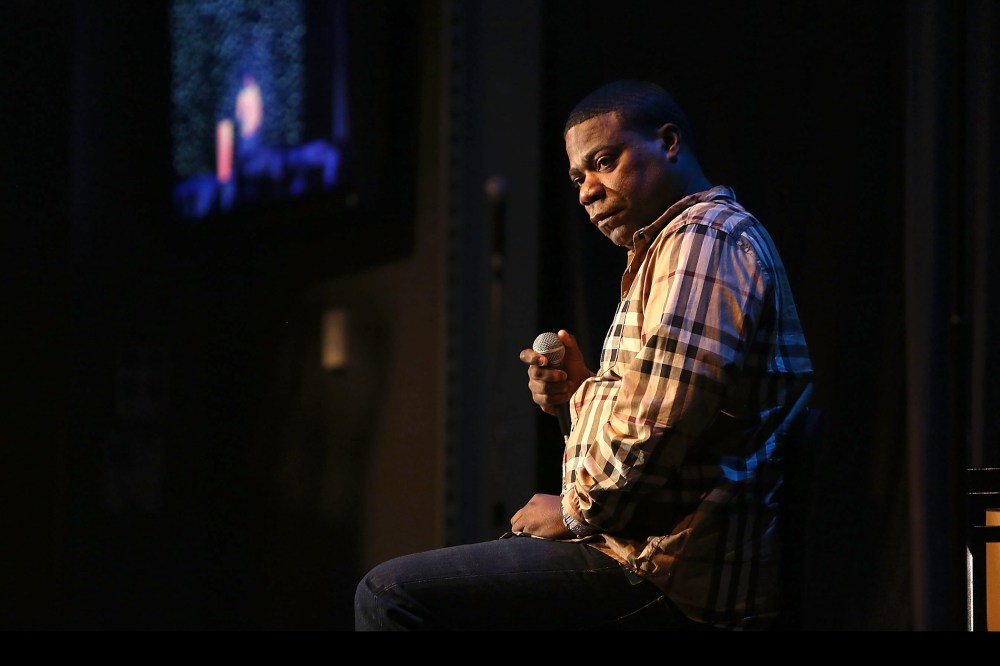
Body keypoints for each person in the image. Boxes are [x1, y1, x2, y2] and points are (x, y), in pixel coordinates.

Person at [354, 79, 814, 631]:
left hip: (671, 576)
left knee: (391, 595)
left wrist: (572, 513)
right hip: (644, 554)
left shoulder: (704, 239)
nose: (587, 191)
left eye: (604, 161)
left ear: (668, 143)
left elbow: (653, 428)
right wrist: (580, 393)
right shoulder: (673, 249)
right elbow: (670, 413)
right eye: (578, 177)